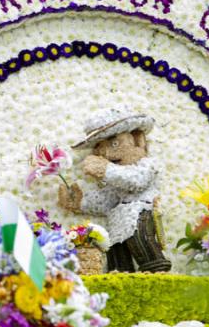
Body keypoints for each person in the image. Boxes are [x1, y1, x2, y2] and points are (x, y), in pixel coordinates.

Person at [58, 106, 171, 273]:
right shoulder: (114, 180)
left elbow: (136, 180)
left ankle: (157, 273)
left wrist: (106, 170)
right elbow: (107, 200)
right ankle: (119, 276)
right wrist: (81, 203)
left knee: (142, 243)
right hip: (116, 221)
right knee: (116, 252)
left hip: (140, 213)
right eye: (100, 149)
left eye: (114, 143)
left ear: (138, 140)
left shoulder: (147, 165)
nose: (107, 155)